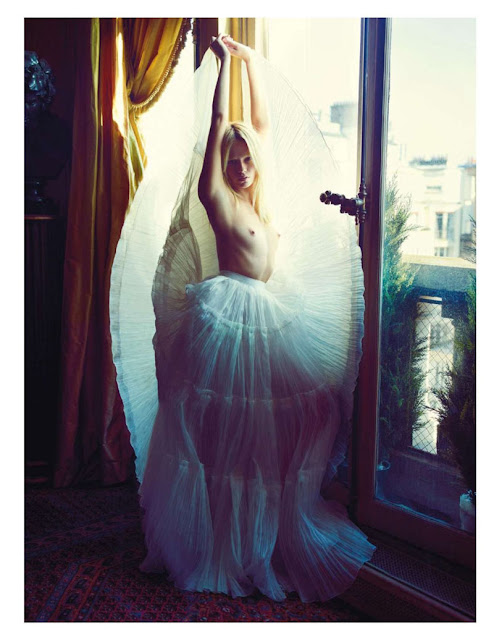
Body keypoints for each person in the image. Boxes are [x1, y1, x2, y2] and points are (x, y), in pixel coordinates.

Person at [110, 34, 375, 603]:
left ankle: (262, 535)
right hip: (227, 319)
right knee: (220, 439)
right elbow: (220, 130)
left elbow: (263, 127)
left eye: (247, 159)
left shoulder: (262, 193)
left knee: (288, 423)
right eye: (233, 161)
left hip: (267, 314)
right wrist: (223, 74)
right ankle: (215, 543)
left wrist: (251, 62)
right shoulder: (219, 200)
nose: (241, 167)